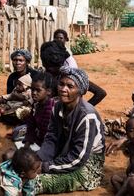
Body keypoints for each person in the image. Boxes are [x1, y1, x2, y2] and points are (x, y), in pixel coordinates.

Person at [35, 66, 105, 194]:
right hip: (66, 154)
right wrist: (38, 159)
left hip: (86, 165)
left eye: (70, 86)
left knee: (37, 182)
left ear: (80, 91)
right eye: (61, 84)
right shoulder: (57, 107)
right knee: (26, 163)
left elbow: (78, 158)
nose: (63, 89)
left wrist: (45, 166)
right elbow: (51, 138)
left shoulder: (87, 116)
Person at [40, 40, 106, 106]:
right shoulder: (47, 75)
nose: (48, 69)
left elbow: (100, 93)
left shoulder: (70, 76)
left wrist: (80, 110)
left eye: (51, 68)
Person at [23, 71, 55, 148]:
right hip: (38, 140)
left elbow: (48, 134)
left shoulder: (50, 109)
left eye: (38, 90)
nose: (34, 93)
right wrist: (27, 143)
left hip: (48, 145)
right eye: (32, 89)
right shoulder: (36, 104)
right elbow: (31, 125)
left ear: (48, 91)